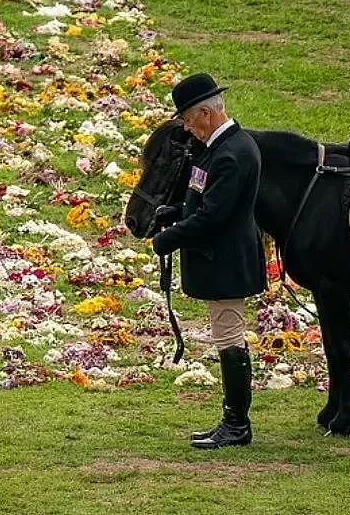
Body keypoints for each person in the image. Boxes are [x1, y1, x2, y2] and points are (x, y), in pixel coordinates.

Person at [151, 73, 267, 449]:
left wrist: (171, 237)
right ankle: (234, 421)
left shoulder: (233, 154)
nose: (188, 128)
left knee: (230, 337)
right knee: (225, 335)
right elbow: (201, 198)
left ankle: (236, 424)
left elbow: (213, 216)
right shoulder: (219, 148)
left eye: (187, 120)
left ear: (205, 113)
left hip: (227, 259)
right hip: (220, 256)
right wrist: (175, 211)